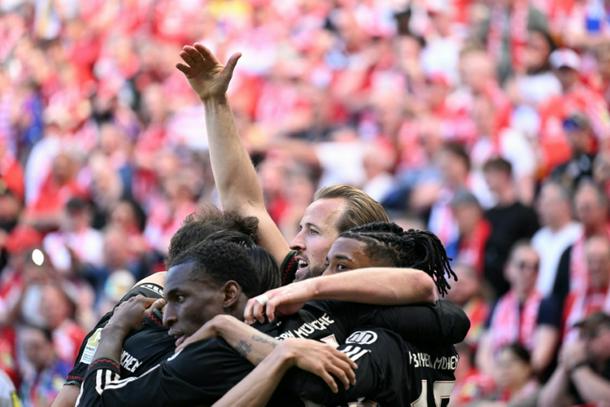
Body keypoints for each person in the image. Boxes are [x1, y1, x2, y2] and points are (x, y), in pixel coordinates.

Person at [76, 234, 467, 406]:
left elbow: (316, 380)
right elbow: (443, 308)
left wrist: (113, 331)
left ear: (230, 293)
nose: (168, 314)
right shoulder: (351, 314)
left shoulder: (368, 331)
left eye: (340, 265)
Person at [179, 222, 464, 406]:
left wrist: (230, 329)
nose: (325, 276)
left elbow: (314, 382)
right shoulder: (438, 328)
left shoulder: (380, 339)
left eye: (341, 267)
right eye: (327, 264)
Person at [176, 43, 389, 285]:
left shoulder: (390, 306)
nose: (295, 242)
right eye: (301, 228)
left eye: (313, 231)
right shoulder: (295, 278)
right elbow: (243, 203)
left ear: (355, 248)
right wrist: (214, 101)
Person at [477, 241, 560, 378]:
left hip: (531, 381)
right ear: (507, 269)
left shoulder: (547, 305)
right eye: (522, 266)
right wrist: (497, 377)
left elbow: (542, 356)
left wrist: (516, 378)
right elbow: (483, 354)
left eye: (535, 267)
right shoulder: (497, 305)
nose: (529, 272)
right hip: (497, 379)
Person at [539, 312, 610, 406]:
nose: (584, 343)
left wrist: (579, 366)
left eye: (592, 335)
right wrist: (564, 367)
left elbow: (606, 398)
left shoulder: (580, 365)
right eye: (581, 335)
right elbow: (547, 404)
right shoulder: (583, 361)